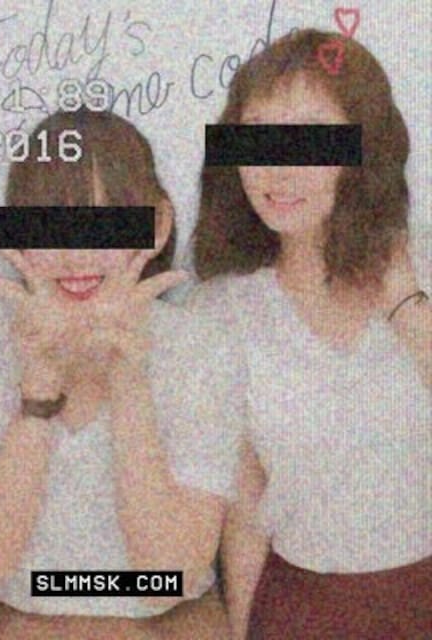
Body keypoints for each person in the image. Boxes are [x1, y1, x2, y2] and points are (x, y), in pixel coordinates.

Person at [0, 107, 244, 639]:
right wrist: (39, 390)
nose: (75, 254)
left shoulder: (199, 343)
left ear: (157, 225)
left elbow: (173, 571)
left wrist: (128, 379)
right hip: (28, 625)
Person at [189, 28, 432, 639]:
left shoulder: (422, 270)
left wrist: (406, 304)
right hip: (301, 607)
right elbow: (246, 512)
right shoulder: (222, 312)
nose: (278, 167)